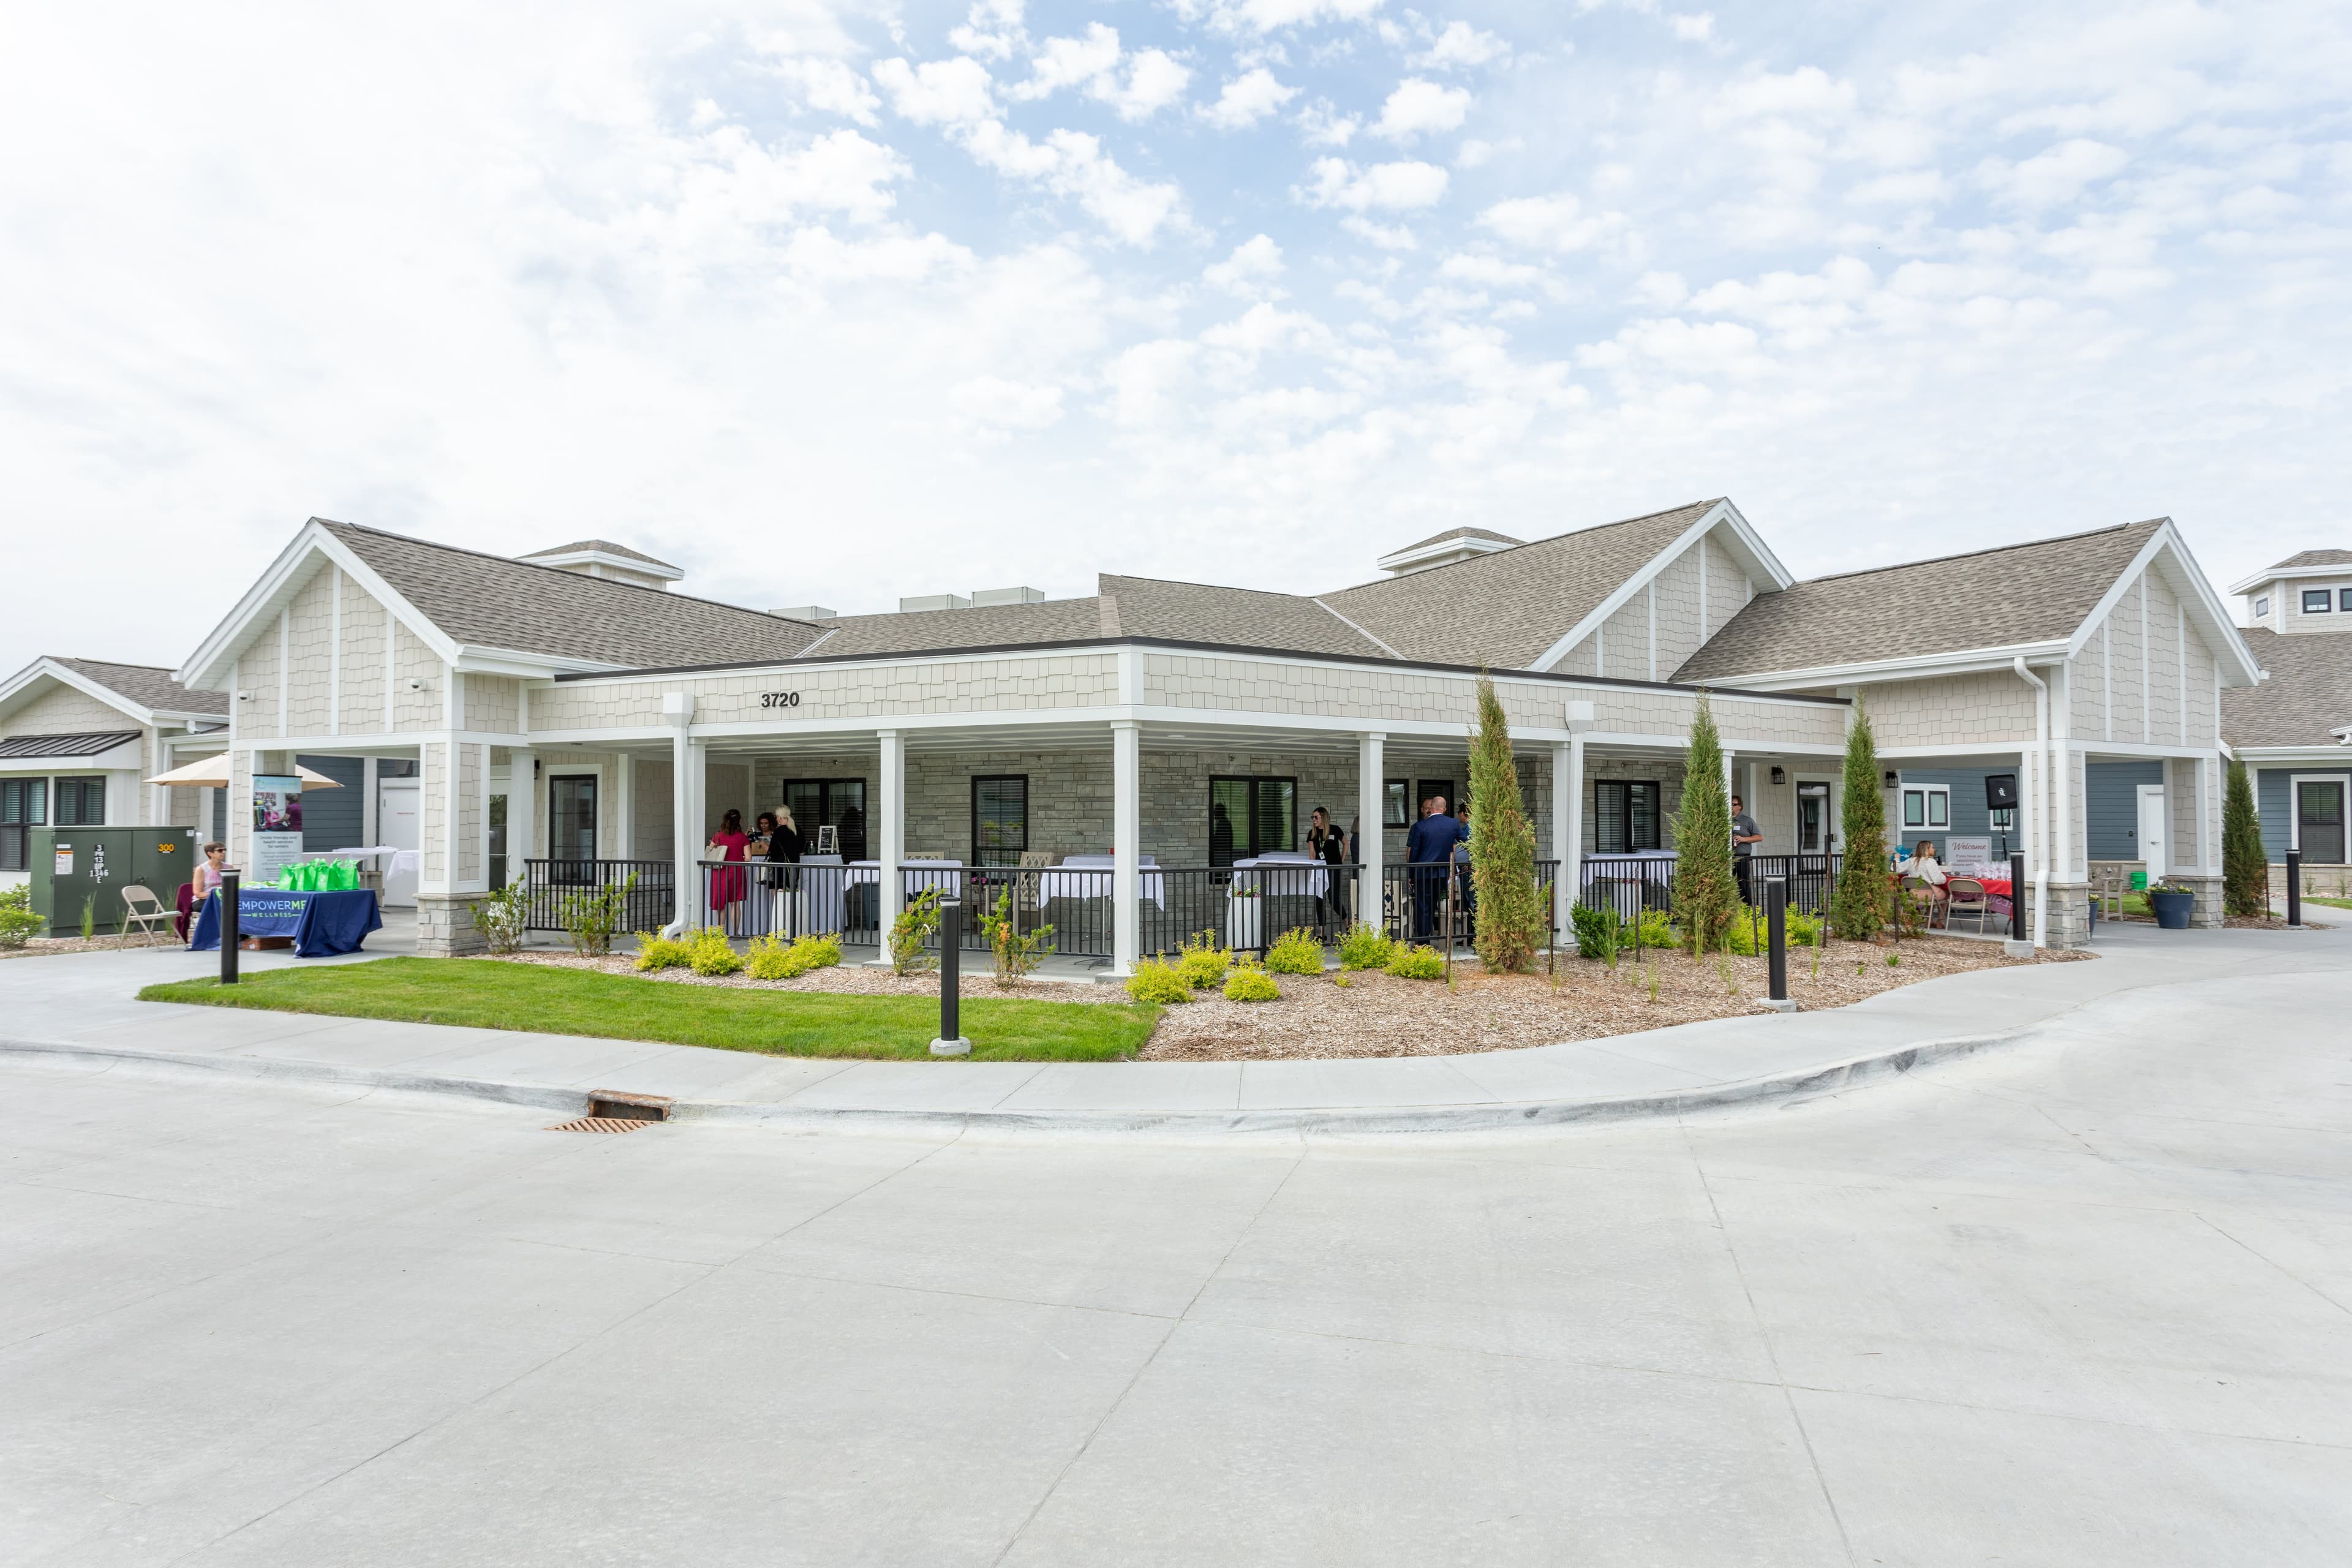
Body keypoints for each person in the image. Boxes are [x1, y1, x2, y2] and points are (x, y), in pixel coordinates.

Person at [1406, 796, 1467, 941]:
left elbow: (1414, 852)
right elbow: (1466, 841)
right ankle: (1428, 938)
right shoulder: (1453, 824)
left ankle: (1423, 941)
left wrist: (1411, 874)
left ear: (1431, 807)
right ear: (1444, 809)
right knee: (1433, 906)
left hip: (1423, 872)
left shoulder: (1421, 826)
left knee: (1423, 908)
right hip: (1442, 873)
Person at [707, 808, 751, 933]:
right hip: (737, 872)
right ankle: (736, 933)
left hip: (719, 873)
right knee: (735, 904)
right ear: (739, 821)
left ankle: (720, 934)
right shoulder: (743, 838)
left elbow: (710, 852)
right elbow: (748, 858)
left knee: (721, 905)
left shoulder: (718, 835)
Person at [1306, 805, 1348, 931]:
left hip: (1334, 869)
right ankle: (1322, 932)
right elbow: (1312, 853)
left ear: (1323, 817)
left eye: (1316, 817)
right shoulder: (1312, 833)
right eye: (1312, 817)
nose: (1314, 820)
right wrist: (1312, 868)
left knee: (1334, 900)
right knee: (1320, 899)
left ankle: (1348, 924)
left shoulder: (1335, 830)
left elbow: (1346, 843)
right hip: (1320, 869)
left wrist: (1342, 860)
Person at [179, 841, 227, 940]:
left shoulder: (229, 868)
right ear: (210, 854)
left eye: (225, 850)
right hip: (203, 900)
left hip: (223, 899)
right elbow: (198, 893)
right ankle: (213, 937)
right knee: (222, 907)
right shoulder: (202, 869)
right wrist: (216, 895)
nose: (224, 852)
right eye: (220, 850)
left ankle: (240, 935)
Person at [1730, 794, 1763, 905]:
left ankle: (1747, 907)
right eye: (1730, 804)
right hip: (1728, 858)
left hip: (1743, 857)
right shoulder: (1725, 820)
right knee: (1729, 884)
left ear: (1740, 807)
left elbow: (1759, 837)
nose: (1731, 807)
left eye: (1734, 804)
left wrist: (1743, 839)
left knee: (1744, 883)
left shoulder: (1747, 821)